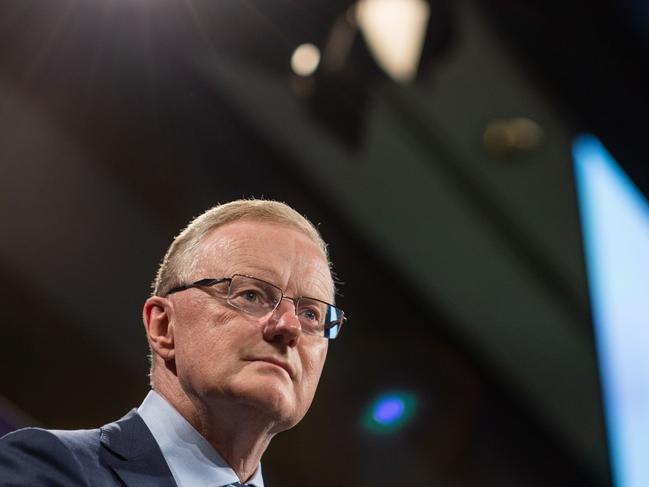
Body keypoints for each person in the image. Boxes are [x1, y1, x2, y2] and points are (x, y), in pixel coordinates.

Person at [0, 199, 346, 486]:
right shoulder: (51, 469)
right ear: (163, 326)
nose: (289, 326)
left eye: (312, 315)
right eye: (252, 294)